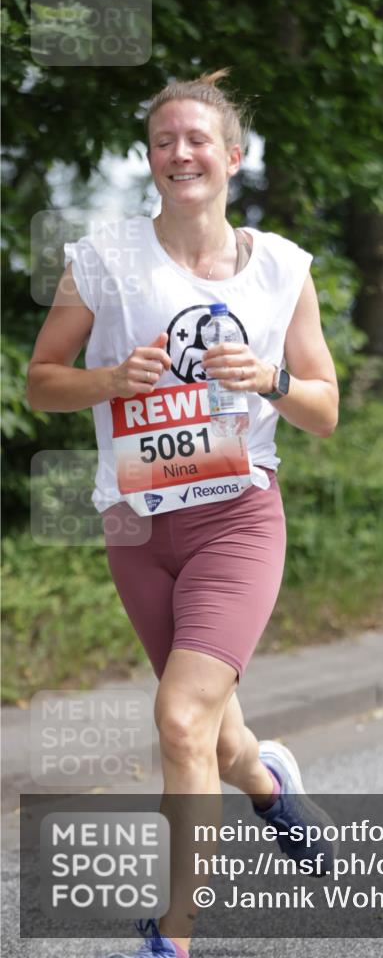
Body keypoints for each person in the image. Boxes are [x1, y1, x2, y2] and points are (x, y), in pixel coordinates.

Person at [26, 69, 339, 958]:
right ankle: (270, 784)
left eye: (198, 138)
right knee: (207, 726)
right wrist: (109, 379)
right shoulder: (102, 259)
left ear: (232, 157)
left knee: (176, 720)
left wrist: (270, 378)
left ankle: (174, 934)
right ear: (150, 160)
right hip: (135, 524)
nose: (181, 152)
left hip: (236, 517)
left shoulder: (281, 269)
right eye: (164, 140)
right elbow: (40, 380)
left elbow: (323, 410)